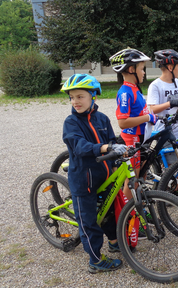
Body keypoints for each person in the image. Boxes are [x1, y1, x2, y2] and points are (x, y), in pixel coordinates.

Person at [62, 74, 127, 273]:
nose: (75, 101)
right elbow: (80, 147)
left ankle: (115, 242)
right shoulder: (71, 122)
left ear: (93, 96)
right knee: (89, 222)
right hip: (83, 181)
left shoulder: (102, 119)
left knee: (108, 212)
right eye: (72, 97)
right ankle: (95, 260)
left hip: (104, 177)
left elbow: (112, 140)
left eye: (80, 96)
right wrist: (106, 147)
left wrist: (119, 148)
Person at [109, 48, 157, 198]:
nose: (144, 72)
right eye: (142, 69)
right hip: (131, 140)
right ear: (131, 69)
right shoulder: (125, 92)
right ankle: (128, 215)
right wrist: (147, 118)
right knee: (132, 182)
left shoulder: (135, 88)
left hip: (140, 139)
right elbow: (122, 122)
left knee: (141, 177)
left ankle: (138, 207)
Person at [147, 49, 178, 142]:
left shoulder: (177, 82)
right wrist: (169, 104)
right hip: (165, 132)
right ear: (170, 67)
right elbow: (152, 109)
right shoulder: (155, 85)